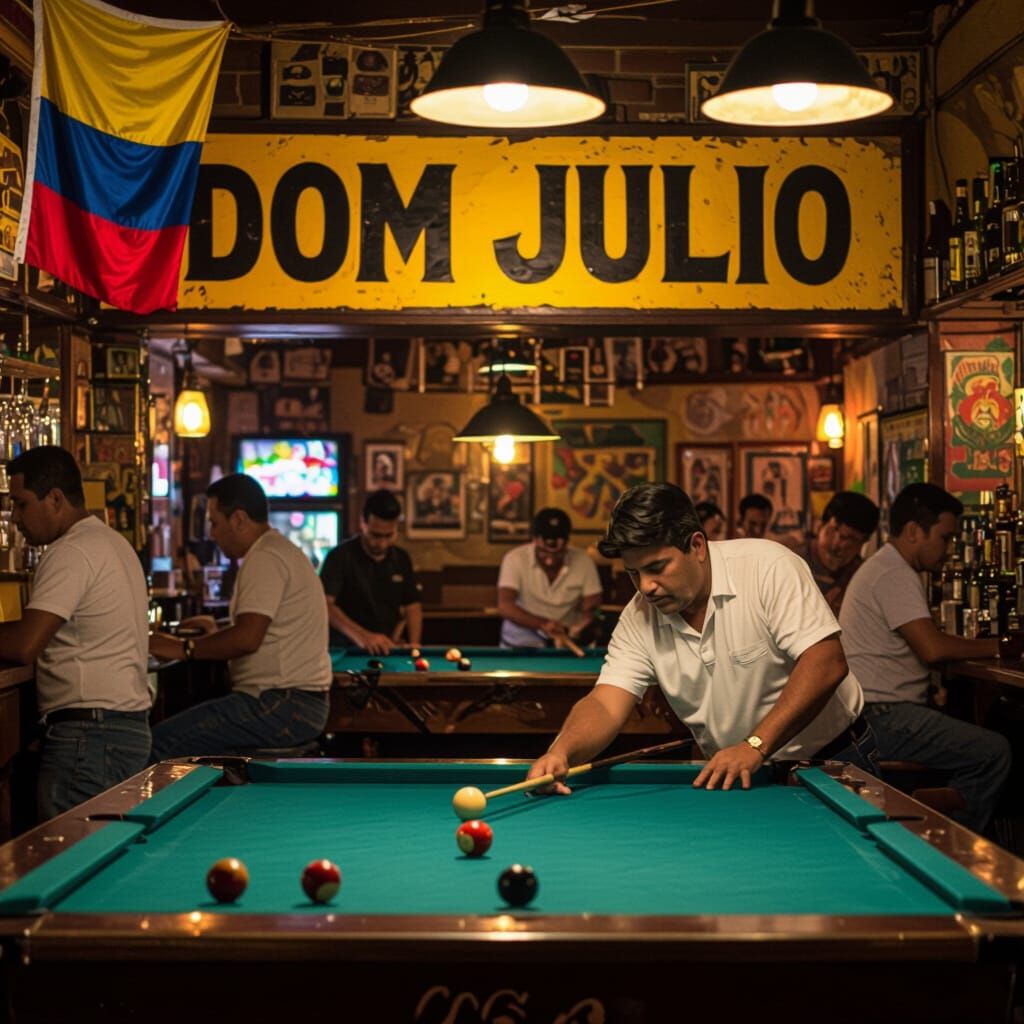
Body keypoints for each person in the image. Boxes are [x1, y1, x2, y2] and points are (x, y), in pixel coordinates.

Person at [527, 484, 872, 795]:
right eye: (634, 573)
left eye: (657, 567)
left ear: (696, 546)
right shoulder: (638, 618)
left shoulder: (768, 567)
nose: (645, 586)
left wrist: (755, 744)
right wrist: (562, 750)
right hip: (738, 774)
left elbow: (826, 662)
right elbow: (605, 703)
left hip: (833, 760)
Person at [839, 483, 1015, 833]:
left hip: (873, 712)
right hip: (881, 714)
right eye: (945, 538)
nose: (948, 550)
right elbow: (932, 648)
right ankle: (952, 847)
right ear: (913, 531)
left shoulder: (886, 566)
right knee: (994, 751)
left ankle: (927, 814)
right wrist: (1004, 646)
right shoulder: (895, 572)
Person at [0, 446, 150, 820]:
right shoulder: (114, 543)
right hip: (123, 732)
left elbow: (25, 646)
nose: (16, 517)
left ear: (54, 498)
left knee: (68, 864)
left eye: (21, 504)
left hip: (90, 738)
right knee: (102, 863)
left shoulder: (71, 550)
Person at [149, 474, 330, 758]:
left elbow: (247, 639)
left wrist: (182, 648)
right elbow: (266, 625)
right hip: (296, 706)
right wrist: (219, 627)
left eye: (214, 522)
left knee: (159, 743)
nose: (212, 533)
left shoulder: (265, 557)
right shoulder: (278, 550)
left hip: (280, 705)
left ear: (239, 519)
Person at [319, 489, 422, 654]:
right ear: (363, 523)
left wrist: (415, 644)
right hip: (345, 651)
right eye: (375, 535)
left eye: (388, 536)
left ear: (396, 527)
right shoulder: (339, 557)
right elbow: (324, 604)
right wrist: (362, 636)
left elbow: (412, 606)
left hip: (386, 650)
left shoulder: (402, 558)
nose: (381, 543)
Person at [497, 508, 603, 649]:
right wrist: (543, 624)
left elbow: (592, 607)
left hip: (564, 646)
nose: (550, 561)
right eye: (544, 553)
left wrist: (580, 626)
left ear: (567, 543)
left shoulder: (584, 561)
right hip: (518, 646)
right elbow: (505, 606)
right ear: (534, 540)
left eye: (558, 554)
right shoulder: (514, 559)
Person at [792, 491, 879, 614]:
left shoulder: (864, 578)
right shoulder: (791, 562)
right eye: (835, 531)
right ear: (820, 525)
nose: (839, 545)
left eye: (853, 539)